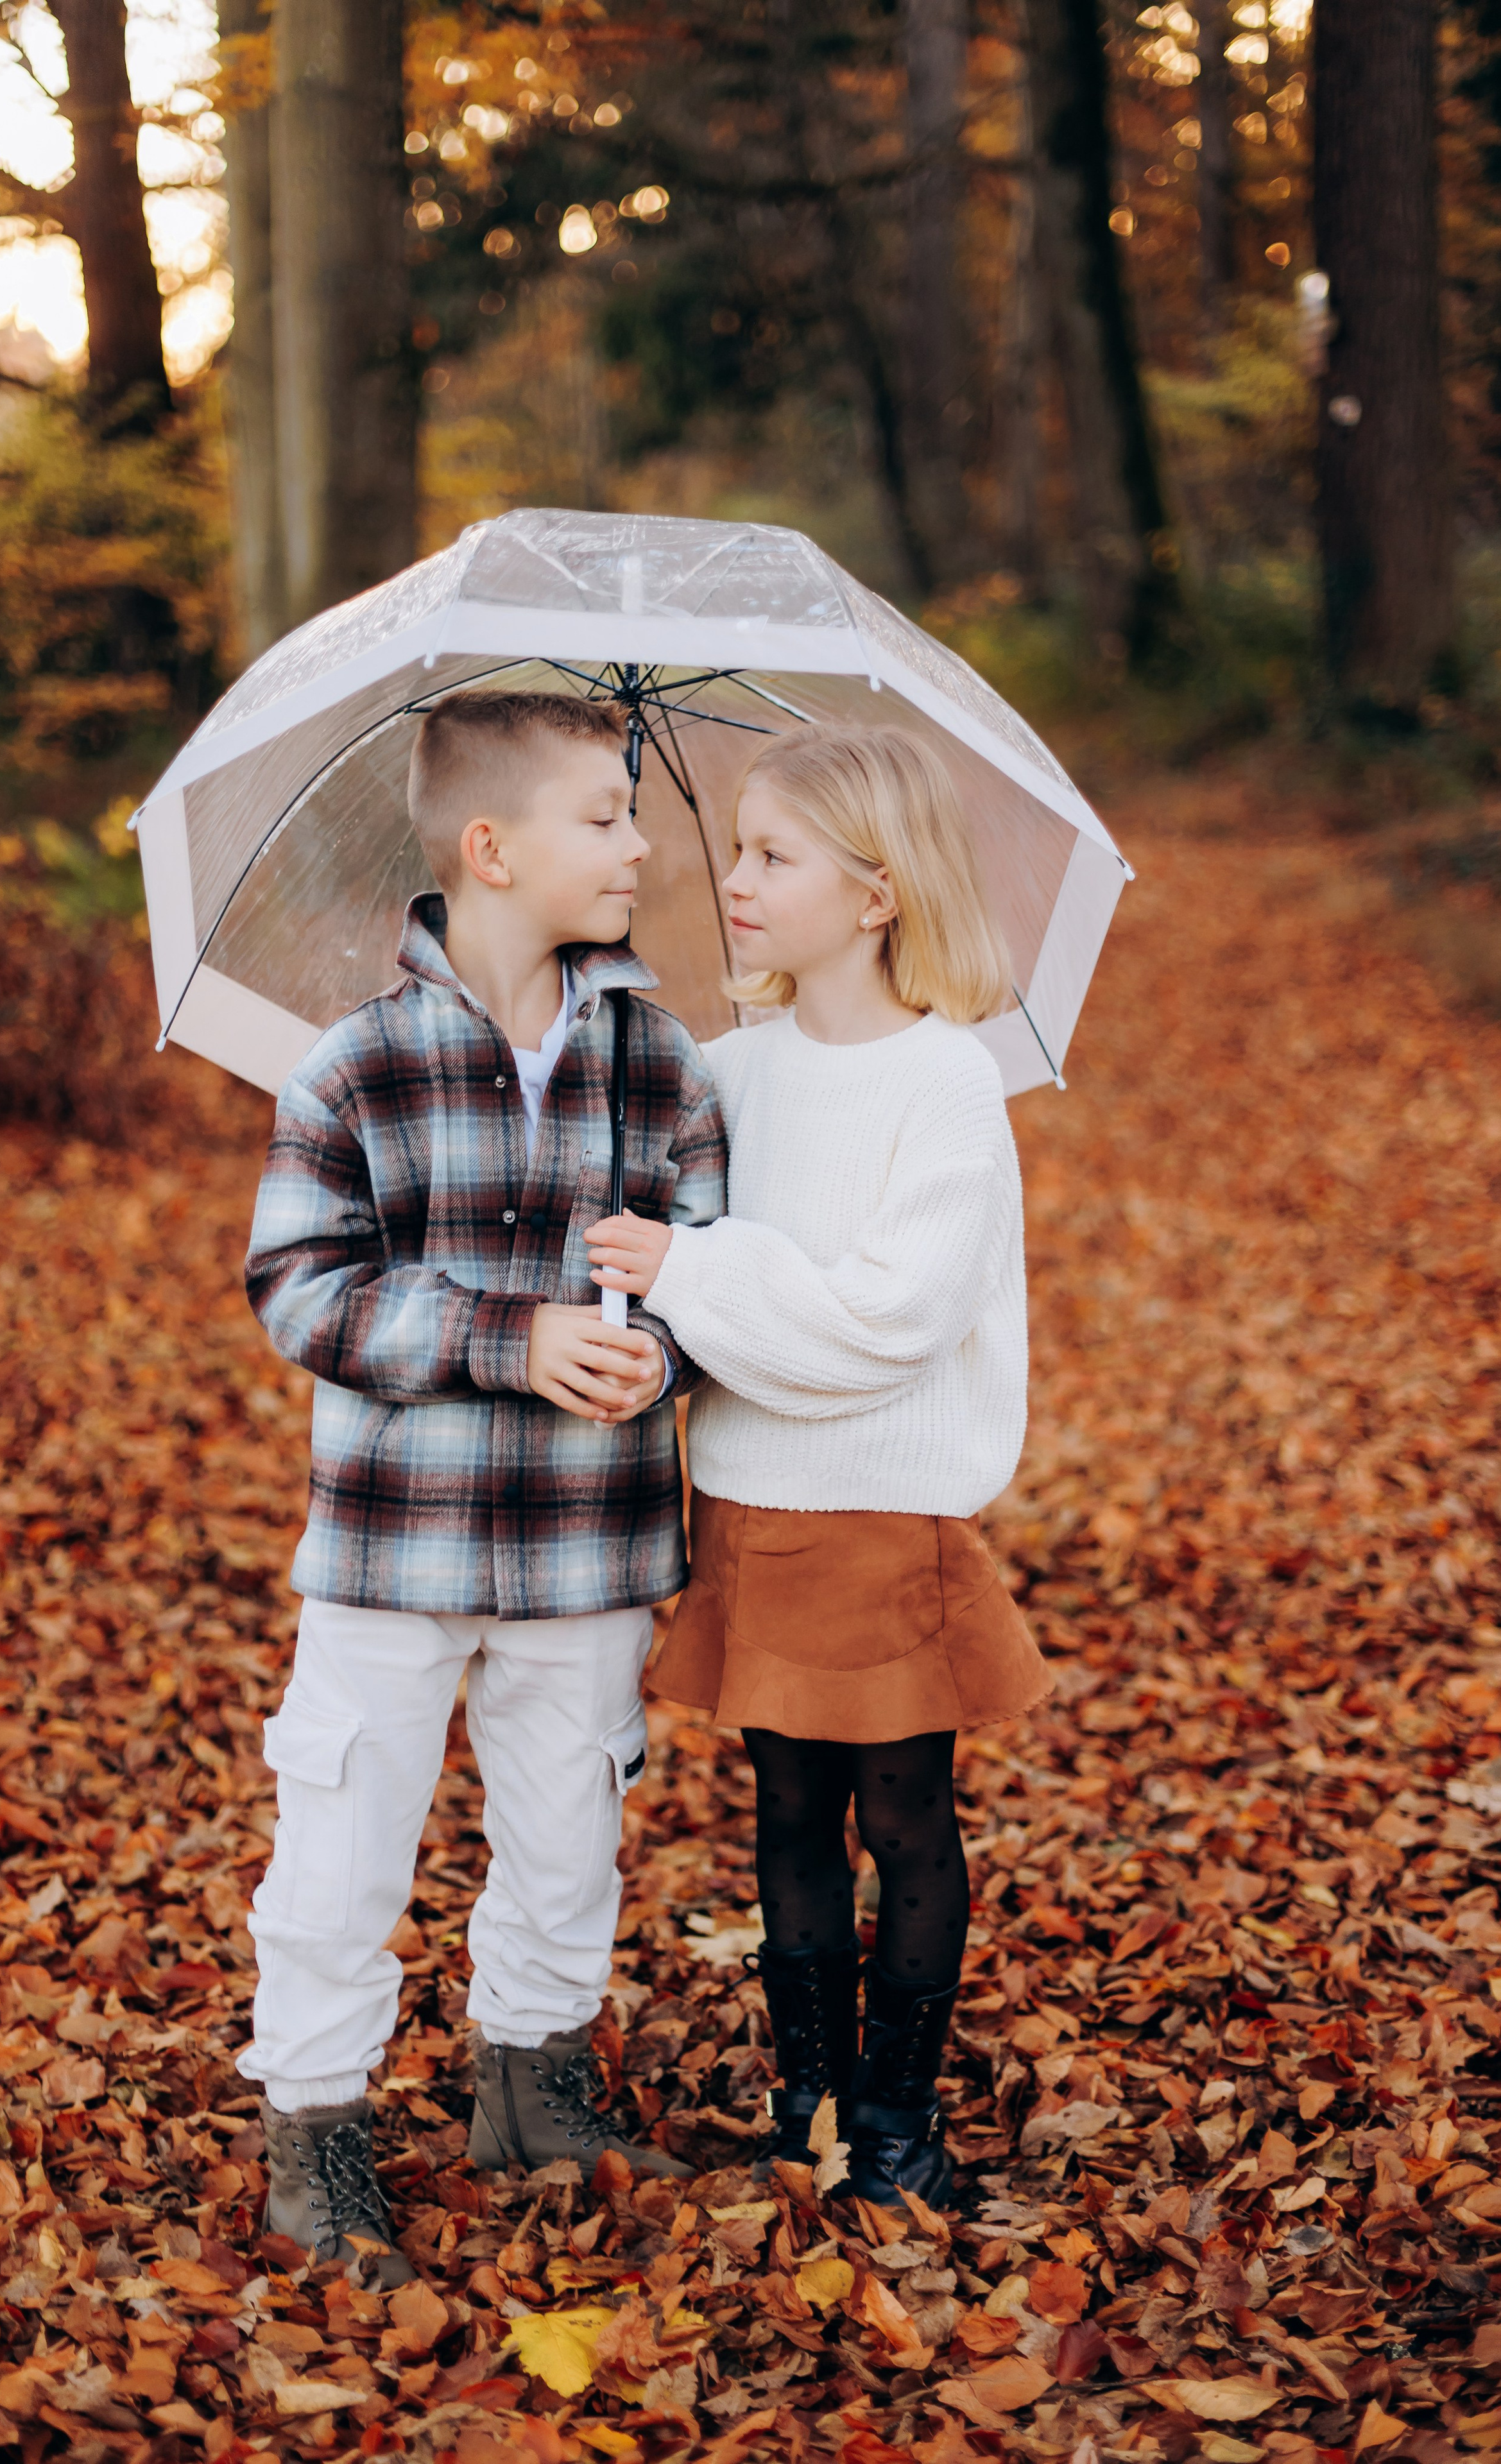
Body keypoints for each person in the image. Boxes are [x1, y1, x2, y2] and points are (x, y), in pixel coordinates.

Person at [241, 690, 725, 2280]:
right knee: (344, 1843)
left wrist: (661, 1350)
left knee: (570, 1830)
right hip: (395, 1545)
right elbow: (301, 1291)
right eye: (603, 817)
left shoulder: (661, 1066)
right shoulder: (353, 1068)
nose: (638, 846)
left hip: (588, 1545)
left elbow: (711, 1270)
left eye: (635, 813)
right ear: (490, 849)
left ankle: (534, 2092)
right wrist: (501, 1339)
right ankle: (318, 2131)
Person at [586, 724, 1049, 2212]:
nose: (735, 879)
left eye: (774, 856)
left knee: (902, 1819)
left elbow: (887, 1324)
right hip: (752, 1507)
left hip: (883, 1518)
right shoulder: (722, 1073)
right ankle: (810, 2112)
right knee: (784, 1816)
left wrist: (698, 1271)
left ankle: (897, 2126)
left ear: (875, 894)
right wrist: (660, 1279)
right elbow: (688, 1305)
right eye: (736, 848)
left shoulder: (945, 1084)